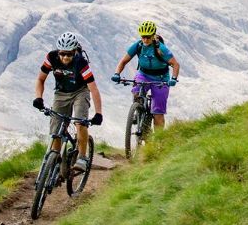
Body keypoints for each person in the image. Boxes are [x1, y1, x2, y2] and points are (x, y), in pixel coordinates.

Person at [33, 31, 103, 172]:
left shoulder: (81, 63)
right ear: (58, 51)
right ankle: (56, 162)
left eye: (69, 54)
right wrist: (38, 97)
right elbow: (40, 79)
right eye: (62, 53)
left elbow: (93, 89)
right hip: (61, 93)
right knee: (55, 129)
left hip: (80, 92)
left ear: (74, 51)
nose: (65, 57)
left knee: (80, 122)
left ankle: (82, 157)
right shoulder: (51, 57)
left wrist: (98, 113)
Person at [114, 20, 179, 128]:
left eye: (148, 37)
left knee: (158, 113)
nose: (145, 39)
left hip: (161, 79)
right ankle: (138, 111)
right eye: (143, 37)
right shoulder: (138, 45)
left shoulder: (161, 48)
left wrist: (173, 78)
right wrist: (117, 73)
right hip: (143, 74)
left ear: (153, 35)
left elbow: (175, 64)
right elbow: (123, 61)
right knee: (136, 92)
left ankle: (159, 138)